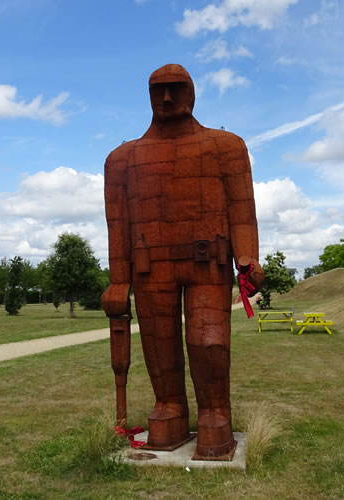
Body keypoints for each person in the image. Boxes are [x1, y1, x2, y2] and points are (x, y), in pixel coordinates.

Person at [102, 63, 263, 460]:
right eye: (160, 90)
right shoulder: (122, 160)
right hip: (148, 266)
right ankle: (170, 407)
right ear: (149, 96)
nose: (168, 98)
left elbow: (242, 211)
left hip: (208, 263)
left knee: (208, 342)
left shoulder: (225, 147)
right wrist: (119, 280)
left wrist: (247, 257)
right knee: (159, 346)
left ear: (192, 92)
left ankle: (215, 413)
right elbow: (117, 224)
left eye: (176, 89)